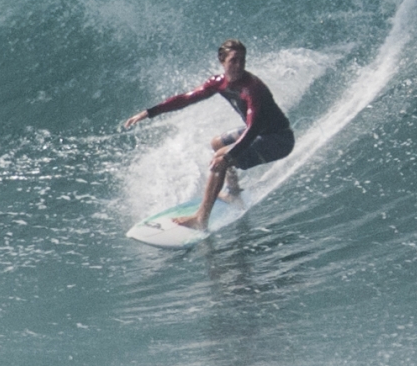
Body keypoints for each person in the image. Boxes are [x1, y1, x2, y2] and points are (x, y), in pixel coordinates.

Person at [121, 40, 295, 229]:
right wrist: (149, 112)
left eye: (242, 60)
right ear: (222, 61)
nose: (239, 65)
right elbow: (185, 99)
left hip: (279, 140)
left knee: (221, 157)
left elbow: (252, 129)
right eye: (233, 60)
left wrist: (228, 157)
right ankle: (233, 192)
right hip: (262, 133)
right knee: (217, 143)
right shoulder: (219, 83)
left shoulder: (252, 89)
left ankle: (201, 218)